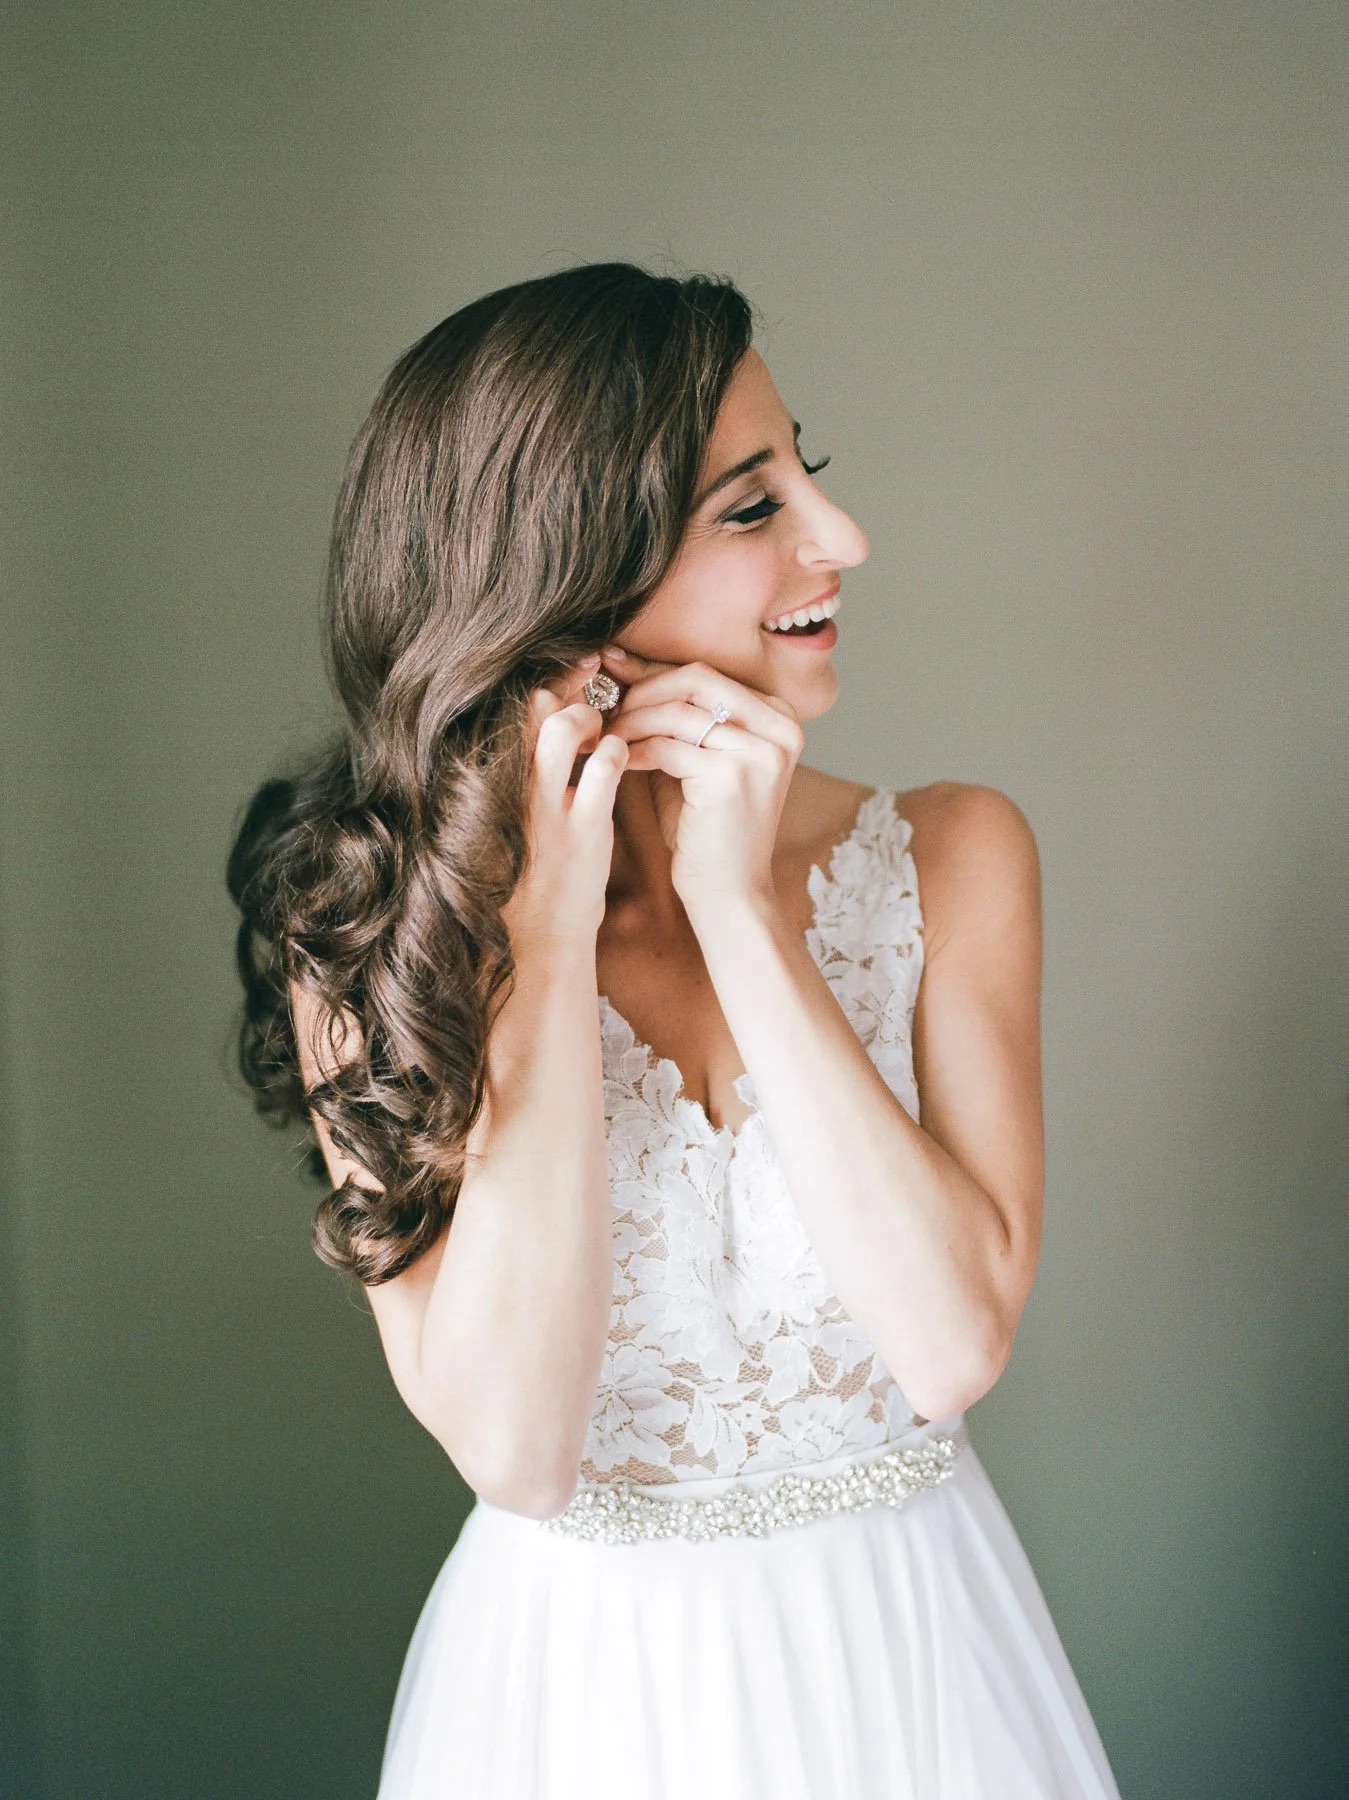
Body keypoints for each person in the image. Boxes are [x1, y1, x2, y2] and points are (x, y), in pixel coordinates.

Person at [227, 262, 1121, 1798]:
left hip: (914, 1669)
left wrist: (741, 910)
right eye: (754, 505)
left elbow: (949, 1344)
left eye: (805, 478)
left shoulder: (957, 854)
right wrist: (543, 937)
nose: (841, 538)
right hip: (576, 1705)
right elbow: (519, 1452)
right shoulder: (370, 934)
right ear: (567, 583)